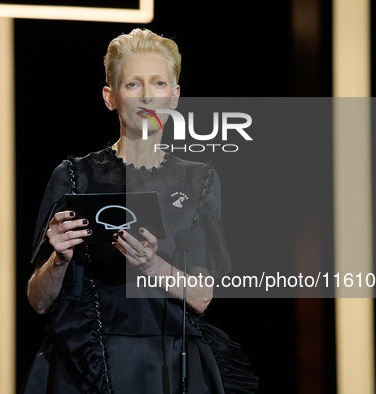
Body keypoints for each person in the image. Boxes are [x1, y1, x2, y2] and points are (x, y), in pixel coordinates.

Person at [20, 28, 258, 394]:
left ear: (174, 96)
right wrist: (59, 259)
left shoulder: (200, 180)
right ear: (110, 97)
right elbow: (38, 301)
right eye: (133, 84)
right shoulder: (74, 176)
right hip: (87, 364)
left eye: (159, 83)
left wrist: (151, 266)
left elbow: (201, 296)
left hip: (171, 362)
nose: (147, 95)